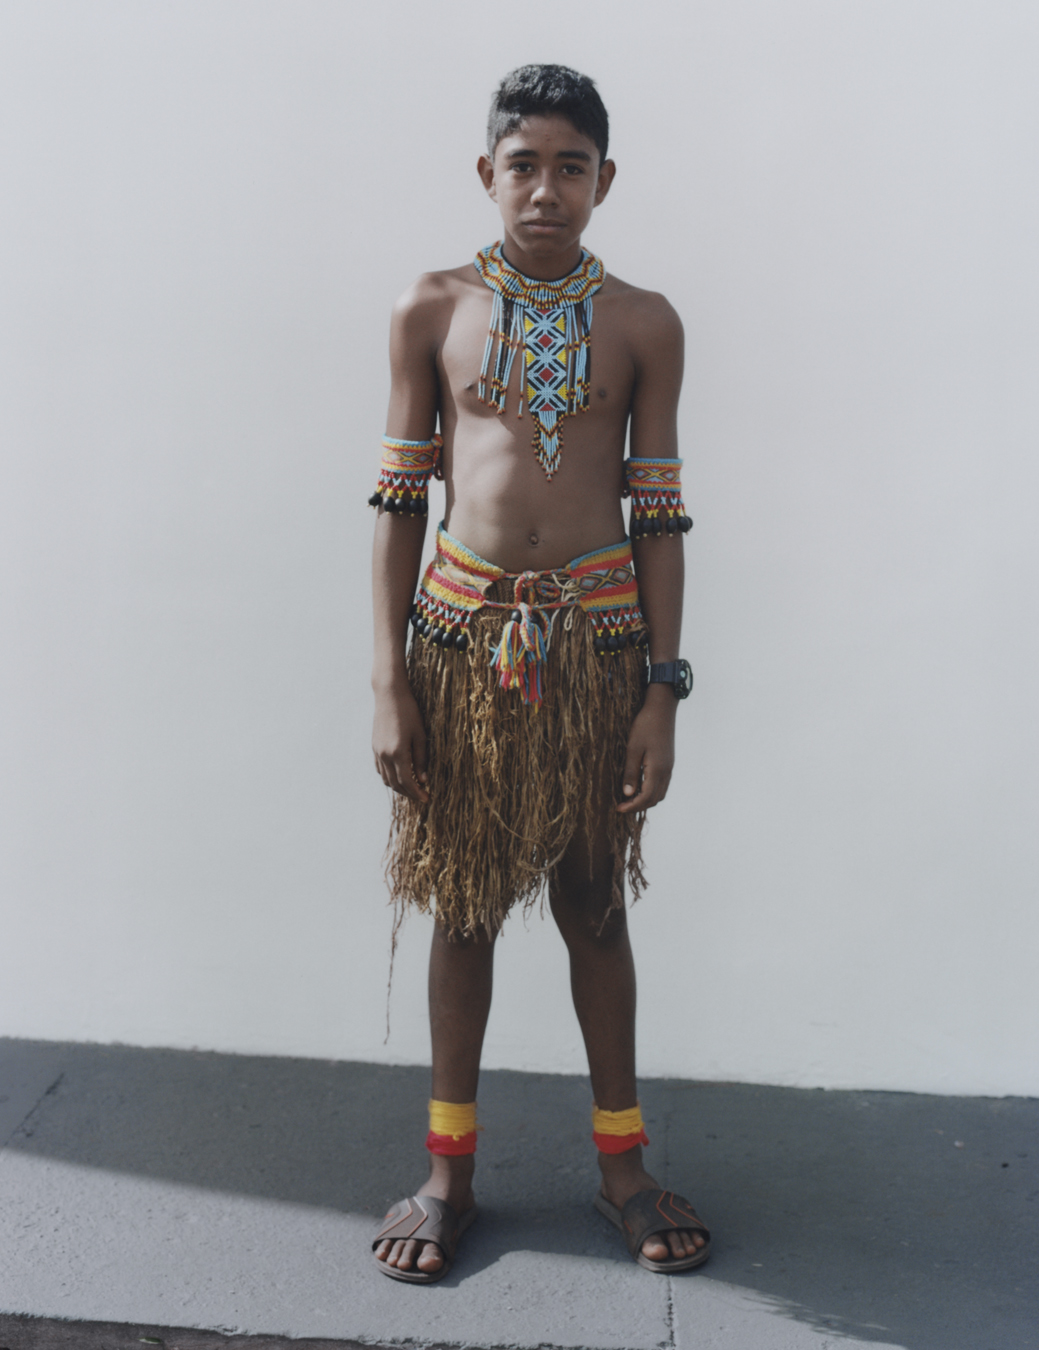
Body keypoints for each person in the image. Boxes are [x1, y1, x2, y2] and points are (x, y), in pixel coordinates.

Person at [369, 64, 709, 1283]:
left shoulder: (644, 322)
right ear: (487, 173)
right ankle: (449, 1168)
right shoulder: (432, 305)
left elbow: (659, 515)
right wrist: (387, 679)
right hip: (461, 650)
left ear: (604, 181)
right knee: (463, 905)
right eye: (526, 164)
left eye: (573, 167)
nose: (547, 189)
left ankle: (622, 1163)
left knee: (591, 906)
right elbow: (400, 500)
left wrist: (662, 689)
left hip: (596, 656)